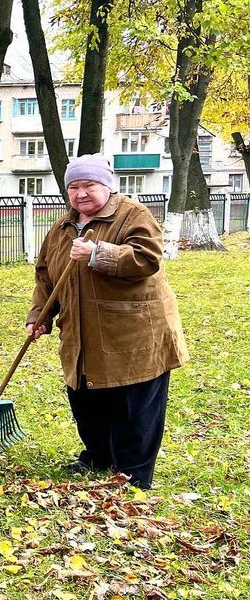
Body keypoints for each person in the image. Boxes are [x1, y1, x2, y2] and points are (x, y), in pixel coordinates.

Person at [26, 155, 188, 489]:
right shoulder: (62, 227)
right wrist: (39, 317)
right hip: (82, 333)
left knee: (134, 408)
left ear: (107, 186)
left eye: (89, 185)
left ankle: (132, 473)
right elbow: (46, 277)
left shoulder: (132, 215)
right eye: (74, 187)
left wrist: (97, 253)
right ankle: (98, 457)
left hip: (134, 333)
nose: (81, 193)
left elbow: (147, 259)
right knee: (86, 400)